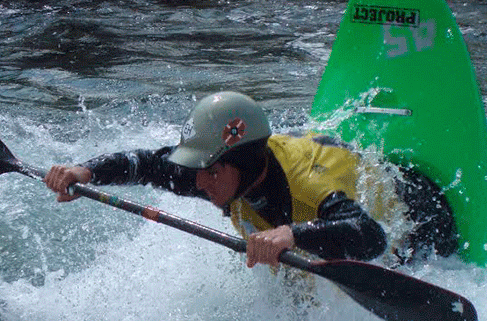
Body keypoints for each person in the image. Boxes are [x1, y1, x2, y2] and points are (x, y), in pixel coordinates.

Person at [43, 91, 456, 268]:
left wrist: (291, 235)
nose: (199, 184)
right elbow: (148, 163)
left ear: (244, 159)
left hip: (420, 219)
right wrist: (87, 171)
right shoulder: (217, 171)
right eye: (197, 172)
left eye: (210, 173)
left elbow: (370, 237)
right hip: (310, 224)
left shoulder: (310, 181)